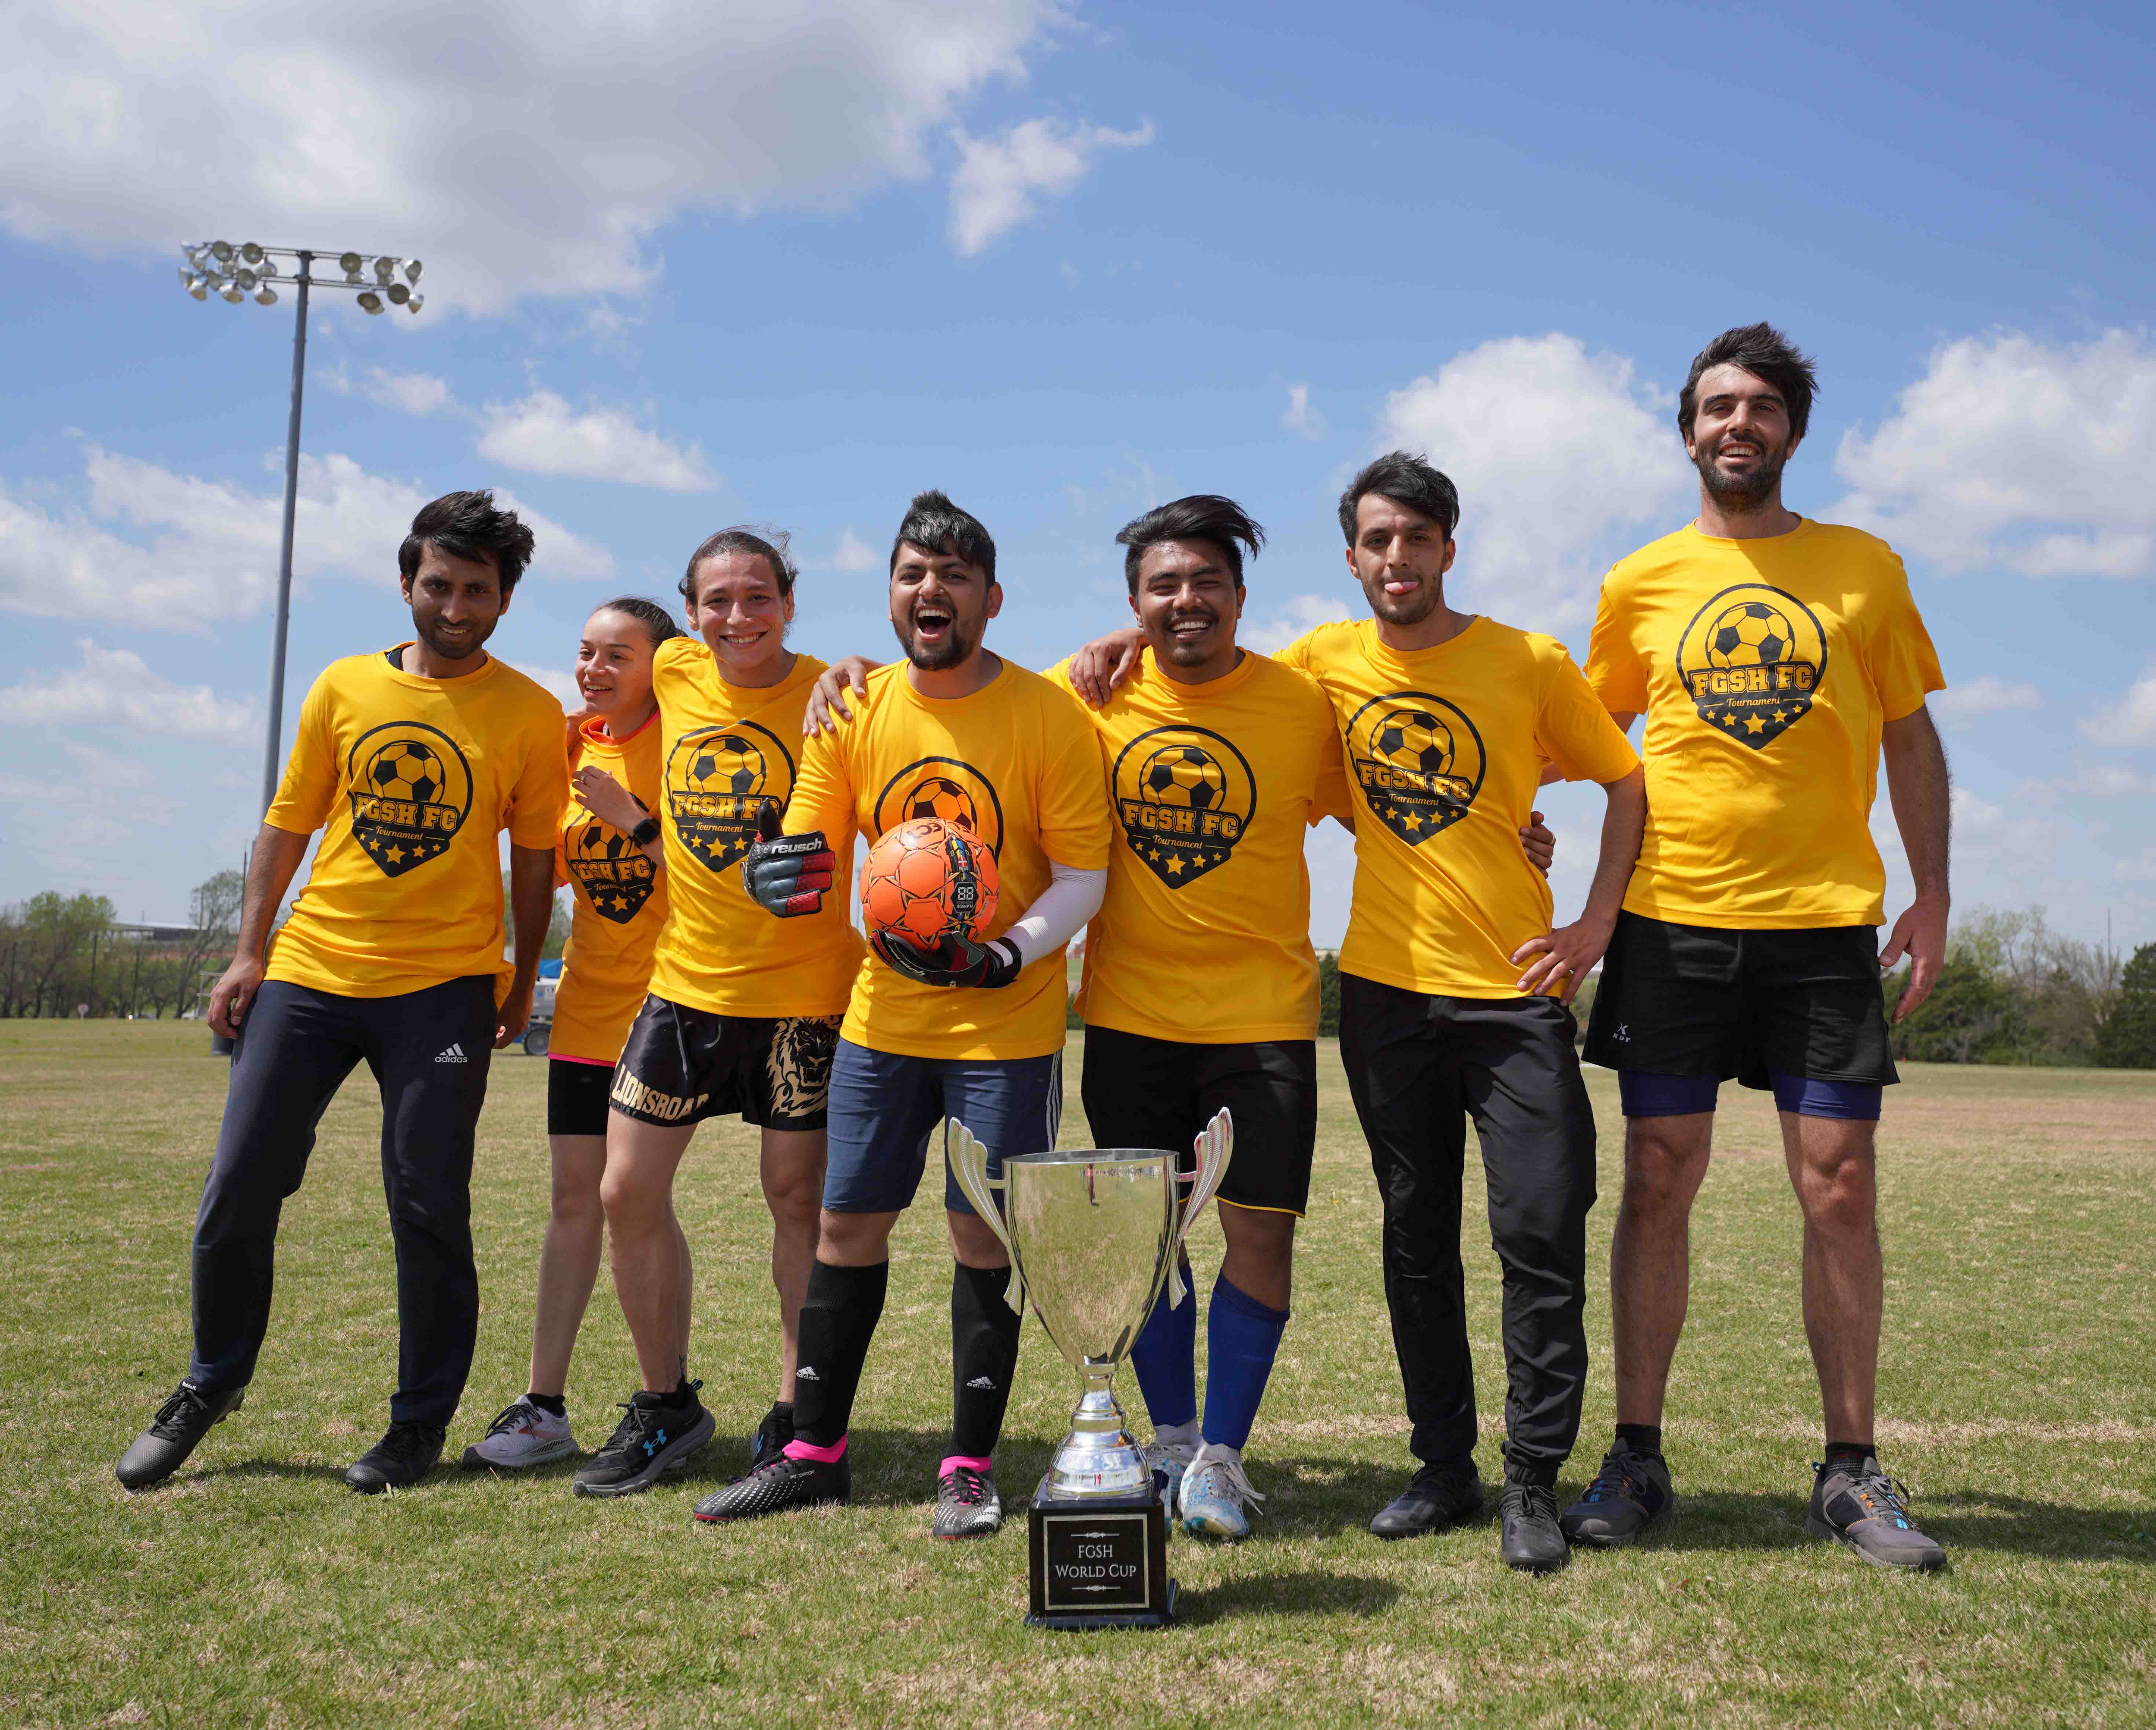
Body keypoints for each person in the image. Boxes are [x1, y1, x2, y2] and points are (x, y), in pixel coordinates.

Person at [806, 496, 1366, 1541]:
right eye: (1161, 586)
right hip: (1127, 1015)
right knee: (1149, 1246)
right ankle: (1163, 1441)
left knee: (1257, 1238)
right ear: (1129, 604)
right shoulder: (1089, 693)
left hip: (1265, 1016)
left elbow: (1381, 802)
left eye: (1206, 582)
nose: (1184, 600)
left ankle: (1221, 1460)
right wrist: (844, 671)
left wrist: (1516, 828)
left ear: (1244, 598)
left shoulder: (1301, 705)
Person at [1563, 324, 1952, 1572]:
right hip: (1668, 922)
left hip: (1821, 927)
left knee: (1836, 1184)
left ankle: (1847, 1471)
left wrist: (1931, 892)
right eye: (1716, 406)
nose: (1738, 423)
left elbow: (1906, 738)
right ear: (1687, 431)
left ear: (1790, 430)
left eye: (1761, 407)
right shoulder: (1636, 581)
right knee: (1657, 1175)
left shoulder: (1863, 570)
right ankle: (1634, 1455)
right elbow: (1585, 732)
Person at [116, 491, 568, 1493]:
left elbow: (533, 861)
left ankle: (415, 1428)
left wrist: (515, 976)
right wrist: (247, 954)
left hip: (444, 986)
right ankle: (209, 1380)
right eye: (439, 584)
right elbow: (286, 826)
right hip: (314, 970)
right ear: (407, 581)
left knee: (426, 1202)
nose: (455, 605)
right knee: (240, 1183)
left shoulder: (532, 714)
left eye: (477, 591)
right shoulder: (342, 687)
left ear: (502, 602)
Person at [707, 490, 1112, 1539]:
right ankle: (811, 1452)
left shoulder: (1046, 715)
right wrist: (776, 871)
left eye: (952, 576)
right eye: (910, 575)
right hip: (881, 1023)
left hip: (1004, 1026)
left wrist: (1005, 951)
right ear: (891, 592)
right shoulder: (852, 708)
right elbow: (805, 853)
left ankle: (969, 1467)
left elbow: (1081, 874)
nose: (929, 591)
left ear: (990, 596)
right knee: (844, 1227)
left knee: (980, 1240)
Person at [566, 530, 864, 1499]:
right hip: (684, 986)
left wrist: (857, 666)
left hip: (802, 996)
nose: (738, 617)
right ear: (687, 615)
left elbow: (893, 688)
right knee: (623, 1193)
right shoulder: (678, 668)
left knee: (795, 1200)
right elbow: (602, 684)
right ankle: (666, 1408)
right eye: (717, 601)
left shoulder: (838, 690)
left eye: (757, 596)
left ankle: (795, 1417)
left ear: (789, 599)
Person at [462, 597, 687, 1472]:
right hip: (586, 1010)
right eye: (586, 653)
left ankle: (663, 1399)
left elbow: (716, 869)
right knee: (573, 1200)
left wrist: (634, 812)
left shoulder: (690, 743)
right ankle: (544, 1406)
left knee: (633, 1198)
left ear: (662, 665)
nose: (594, 670)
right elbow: (534, 869)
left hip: (670, 1007)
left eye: (617, 656)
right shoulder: (564, 748)